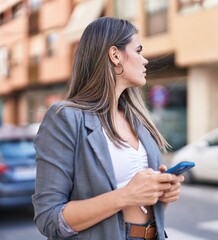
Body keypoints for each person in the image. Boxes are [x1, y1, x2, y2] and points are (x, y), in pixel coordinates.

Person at [32, 17, 184, 240]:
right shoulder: (65, 118)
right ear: (115, 55)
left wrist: (160, 193)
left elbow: (142, 203)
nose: (145, 61)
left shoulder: (138, 120)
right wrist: (127, 195)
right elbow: (49, 219)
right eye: (138, 50)